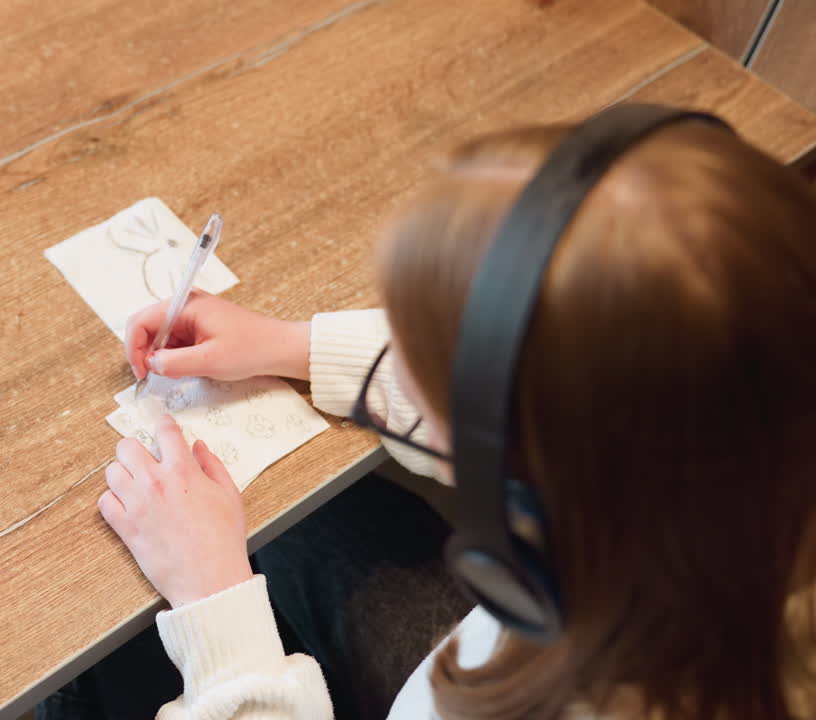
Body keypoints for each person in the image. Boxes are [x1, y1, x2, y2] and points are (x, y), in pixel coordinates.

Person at [89, 113, 816, 719]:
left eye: (422, 367)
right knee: (309, 529)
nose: (393, 369)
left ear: (527, 480)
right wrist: (289, 345)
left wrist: (214, 604)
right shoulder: (730, 461)